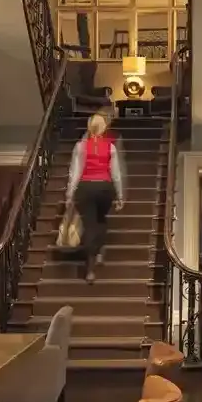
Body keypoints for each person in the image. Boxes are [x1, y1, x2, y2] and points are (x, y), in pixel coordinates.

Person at [66, 113, 124, 283]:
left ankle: (90, 269)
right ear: (104, 128)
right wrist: (119, 195)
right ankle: (98, 252)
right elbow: (116, 174)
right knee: (101, 219)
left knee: (90, 224)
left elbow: (74, 172)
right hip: (105, 188)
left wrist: (70, 194)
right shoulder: (111, 147)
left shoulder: (80, 146)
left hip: (85, 187)